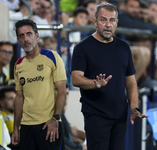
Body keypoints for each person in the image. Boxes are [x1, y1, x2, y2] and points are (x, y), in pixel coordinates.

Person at [71, 3, 149, 150]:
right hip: (96, 115)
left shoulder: (124, 47)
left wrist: (134, 108)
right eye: (103, 20)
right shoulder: (82, 48)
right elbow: (76, 78)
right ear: (95, 22)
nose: (108, 24)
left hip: (120, 116)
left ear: (116, 23)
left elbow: (131, 82)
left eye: (112, 20)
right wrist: (95, 84)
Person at [11, 19, 67, 150]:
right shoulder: (18, 65)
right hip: (26, 126)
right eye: (21, 36)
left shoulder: (52, 57)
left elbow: (62, 91)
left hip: (48, 125)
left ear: (37, 36)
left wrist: (55, 119)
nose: (26, 39)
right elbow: (19, 98)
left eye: (29, 34)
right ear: (18, 40)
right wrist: (16, 128)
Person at [62, 85, 87, 150]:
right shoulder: (56, 115)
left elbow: (73, 131)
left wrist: (87, 138)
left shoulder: (62, 116)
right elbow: (63, 141)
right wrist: (81, 147)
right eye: (64, 93)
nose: (66, 97)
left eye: (67, 94)